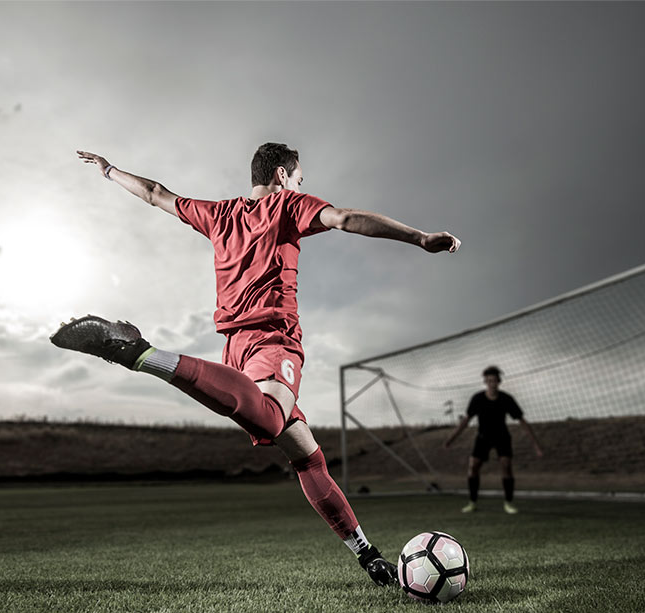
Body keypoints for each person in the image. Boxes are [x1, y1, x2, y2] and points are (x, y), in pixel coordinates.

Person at [52, 143, 461, 586]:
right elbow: (344, 218)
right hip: (273, 339)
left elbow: (155, 194)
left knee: (308, 457)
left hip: (235, 352)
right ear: (283, 176)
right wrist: (420, 238)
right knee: (270, 420)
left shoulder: (220, 214)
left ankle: (368, 556)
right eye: (299, 179)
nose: (301, 186)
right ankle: (141, 353)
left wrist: (109, 170)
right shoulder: (287, 205)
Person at [442, 366, 543, 514]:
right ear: (485, 382)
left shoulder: (506, 399)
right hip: (483, 437)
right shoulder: (477, 399)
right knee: (473, 467)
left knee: (506, 466)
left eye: (494, 380)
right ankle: (472, 502)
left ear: (498, 382)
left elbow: (522, 421)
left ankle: (508, 503)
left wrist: (536, 445)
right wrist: (451, 439)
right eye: (488, 381)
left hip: (502, 437)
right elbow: (466, 420)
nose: (491, 384)